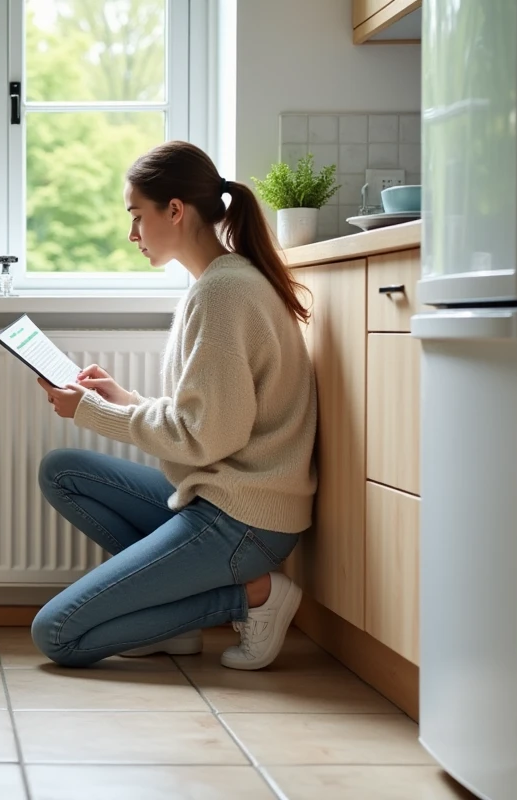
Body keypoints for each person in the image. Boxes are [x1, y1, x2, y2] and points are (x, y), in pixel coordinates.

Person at [30, 140, 317, 671]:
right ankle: (174, 629)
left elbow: (211, 436)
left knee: (57, 634)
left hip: (244, 517)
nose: (132, 234)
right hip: (219, 491)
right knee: (62, 470)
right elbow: (213, 416)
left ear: (176, 210)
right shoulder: (216, 284)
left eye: (138, 216)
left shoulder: (223, 294)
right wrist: (125, 400)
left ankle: (254, 596)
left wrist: (92, 413)